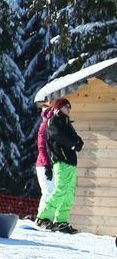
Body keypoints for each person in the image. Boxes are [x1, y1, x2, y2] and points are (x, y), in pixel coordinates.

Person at [35, 97, 83, 234]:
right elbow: (56, 138)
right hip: (61, 160)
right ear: (58, 107)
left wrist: (77, 143)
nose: (69, 109)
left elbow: (76, 138)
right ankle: (43, 217)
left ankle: (61, 220)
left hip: (70, 161)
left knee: (68, 193)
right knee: (59, 190)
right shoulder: (53, 121)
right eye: (66, 106)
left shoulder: (66, 122)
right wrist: (73, 144)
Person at [34, 104, 55, 229]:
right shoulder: (45, 126)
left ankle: (47, 218)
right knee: (48, 191)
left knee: (51, 191)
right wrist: (47, 165)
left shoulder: (52, 126)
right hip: (43, 164)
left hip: (50, 163)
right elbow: (42, 147)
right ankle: (42, 219)